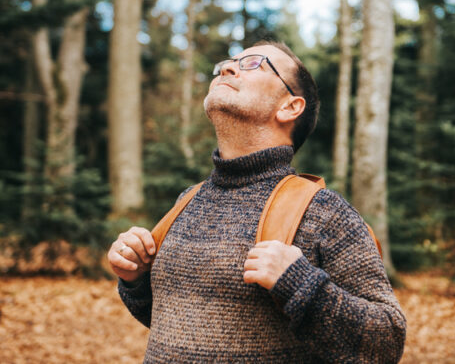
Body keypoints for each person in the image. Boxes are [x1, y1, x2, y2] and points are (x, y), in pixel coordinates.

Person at [108, 41, 406, 363]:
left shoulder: (324, 213)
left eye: (253, 63)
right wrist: (135, 279)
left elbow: (387, 343)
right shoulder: (187, 201)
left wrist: (301, 284)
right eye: (227, 62)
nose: (227, 67)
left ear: (290, 107)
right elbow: (175, 322)